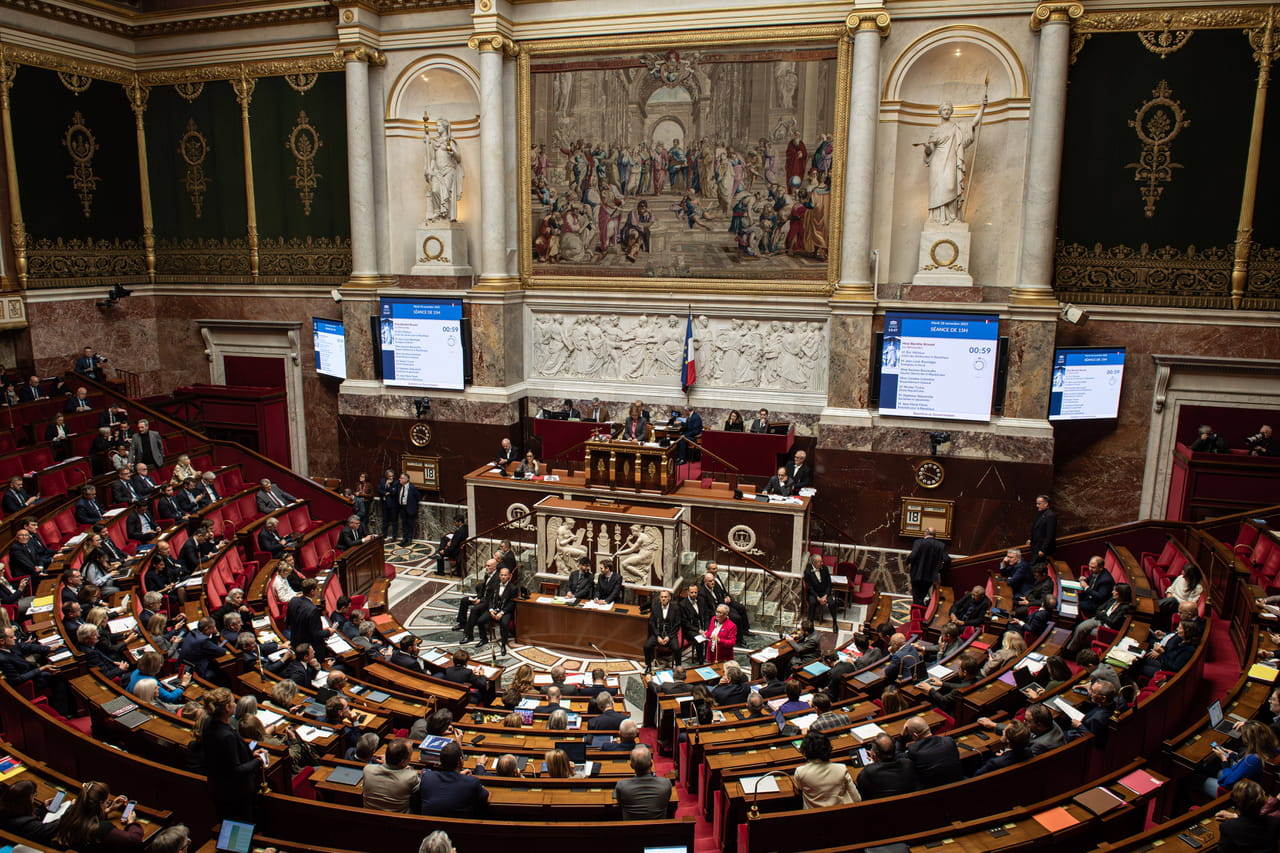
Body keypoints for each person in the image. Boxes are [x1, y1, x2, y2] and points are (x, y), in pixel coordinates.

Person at [201, 687, 267, 820]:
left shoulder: (208, 723)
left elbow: (226, 757)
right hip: (235, 792)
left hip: (217, 785)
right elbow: (235, 769)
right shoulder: (226, 736)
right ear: (227, 707)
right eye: (233, 702)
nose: (235, 704)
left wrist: (251, 754)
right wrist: (258, 760)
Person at [922, 96, 984, 224]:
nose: (946, 111)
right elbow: (930, 152)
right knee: (937, 189)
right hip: (937, 163)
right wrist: (927, 148)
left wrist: (983, 107)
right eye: (944, 109)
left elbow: (973, 123)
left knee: (951, 186)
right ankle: (937, 217)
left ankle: (952, 217)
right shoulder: (936, 131)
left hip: (951, 160)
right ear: (940, 112)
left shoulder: (957, 128)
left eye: (949, 109)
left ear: (951, 112)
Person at [54, 780, 144, 851]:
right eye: (107, 802)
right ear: (101, 803)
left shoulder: (70, 814)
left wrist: (109, 809)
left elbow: (88, 814)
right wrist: (131, 823)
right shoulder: (101, 828)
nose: (107, 804)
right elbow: (134, 840)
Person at [1205, 721, 1279, 796]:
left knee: (1198, 779)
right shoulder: (1273, 747)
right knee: (1208, 769)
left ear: (1249, 740)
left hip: (1238, 792)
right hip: (1246, 779)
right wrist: (1234, 755)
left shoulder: (1253, 759)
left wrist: (1224, 760)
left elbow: (1228, 782)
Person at [417, 741, 488, 817]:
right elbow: (485, 796)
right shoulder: (472, 782)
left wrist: (459, 775)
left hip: (428, 827)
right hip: (459, 827)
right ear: (460, 761)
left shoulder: (427, 777)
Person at [1214, 778, 1280, 851]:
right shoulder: (1275, 822)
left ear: (1236, 804)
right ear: (1263, 802)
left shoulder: (1228, 827)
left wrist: (1236, 820)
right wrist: (1236, 818)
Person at [1066, 583, 1132, 654]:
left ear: (1121, 593)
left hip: (1106, 627)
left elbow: (1112, 623)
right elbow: (1098, 609)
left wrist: (1103, 614)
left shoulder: (1124, 607)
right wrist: (1104, 615)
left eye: (1115, 591)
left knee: (1089, 631)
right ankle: (1070, 650)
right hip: (1098, 620)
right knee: (1080, 628)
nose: (1112, 592)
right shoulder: (1112, 599)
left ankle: (1082, 652)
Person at [613, 745, 672, 820]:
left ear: (631, 766)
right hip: (658, 829)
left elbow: (620, 802)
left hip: (631, 829)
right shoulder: (666, 783)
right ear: (651, 764)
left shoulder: (621, 785)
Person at [362, 737, 420, 812]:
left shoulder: (368, 769)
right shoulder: (411, 776)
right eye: (409, 758)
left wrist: (387, 761)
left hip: (367, 818)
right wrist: (409, 769)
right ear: (403, 762)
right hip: (396, 821)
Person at [901, 716, 962, 787]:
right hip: (959, 786)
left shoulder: (914, 750)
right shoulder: (949, 741)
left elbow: (897, 756)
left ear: (915, 735)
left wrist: (902, 737)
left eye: (910, 736)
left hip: (932, 793)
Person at [856, 733, 918, 800]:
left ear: (874, 755)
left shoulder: (867, 773)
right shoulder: (908, 764)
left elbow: (862, 795)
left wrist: (872, 766)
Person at [475, 566, 516, 652]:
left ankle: (504, 644)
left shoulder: (513, 588)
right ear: (499, 576)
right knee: (480, 621)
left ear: (509, 576)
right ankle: (483, 639)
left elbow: (512, 604)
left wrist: (502, 613)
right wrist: (490, 609)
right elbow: (490, 599)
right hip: (493, 609)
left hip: (505, 611)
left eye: (505, 575)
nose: (503, 577)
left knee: (504, 624)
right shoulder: (495, 585)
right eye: (501, 575)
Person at [907, 527, 951, 606]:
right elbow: (947, 560)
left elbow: (912, 556)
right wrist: (940, 570)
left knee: (917, 597)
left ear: (925, 533)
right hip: (930, 576)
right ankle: (919, 612)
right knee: (921, 596)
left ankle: (918, 614)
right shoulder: (941, 545)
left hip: (917, 574)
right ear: (935, 535)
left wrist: (907, 562)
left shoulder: (918, 542)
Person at [1157, 563, 1203, 629]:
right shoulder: (1180, 577)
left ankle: (1151, 606)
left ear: (1191, 577)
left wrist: (1174, 599)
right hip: (1170, 601)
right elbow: (1170, 589)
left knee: (1172, 601)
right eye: (1183, 574)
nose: (1183, 577)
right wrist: (1169, 595)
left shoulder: (1197, 588)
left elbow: (1190, 604)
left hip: (1180, 607)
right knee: (1170, 601)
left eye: (1185, 576)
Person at [644, 588, 680, 671]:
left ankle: (678, 666)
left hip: (670, 634)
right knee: (647, 646)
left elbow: (677, 623)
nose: (663, 599)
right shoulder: (655, 607)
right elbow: (652, 623)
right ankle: (648, 665)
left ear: (669, 598)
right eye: (662, 597)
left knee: (676, 648)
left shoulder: (675, 608)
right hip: (658, 634)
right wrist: (657, 636)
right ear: (660, 598)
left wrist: (669, 637)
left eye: (665, 597)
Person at [1025, 493, 1057, 566]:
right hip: (1035, 546)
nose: (1037, 506)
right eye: (1037, 503)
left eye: (1039, 504)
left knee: (1034, 567)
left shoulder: (1050, 516)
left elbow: (1050, 535)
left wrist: (1043, 549)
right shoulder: (1041, 514)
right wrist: (1030, 539)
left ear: (1046, 504)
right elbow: (1036, 529)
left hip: (1042, 549)